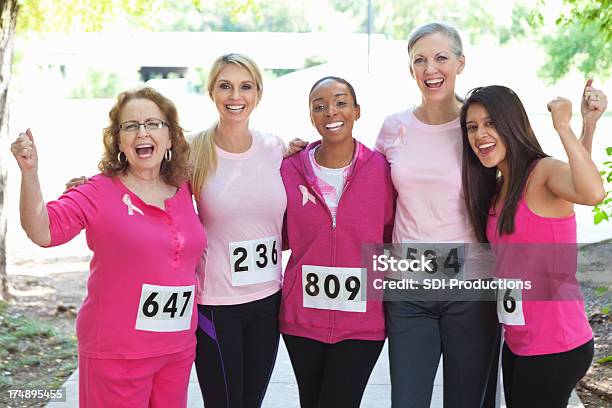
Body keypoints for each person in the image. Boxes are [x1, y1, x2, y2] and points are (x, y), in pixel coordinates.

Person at [374, 21, 605, 407]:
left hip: (474, 293)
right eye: (420, 60)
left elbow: (572, 186)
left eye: (441, 58)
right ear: (410, 68)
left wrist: (581, 127)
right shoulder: (395, 128)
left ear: (461, 63)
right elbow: (372, 189)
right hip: (411, 287)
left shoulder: (482, 127)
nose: (430, 69)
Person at [10, 87, 207, 407]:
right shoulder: (97, 191)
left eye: (153, 123)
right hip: (117, 354)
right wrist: (30, 173)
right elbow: (41, 230)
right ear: (118, 141)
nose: (142, 132)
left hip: (176, 349)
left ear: (170, 137)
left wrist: (286, 153)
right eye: (131, 126)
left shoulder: (183, 186)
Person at [461, 85, 606, 408]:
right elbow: (576, 182)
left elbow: (592, 193)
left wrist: (565, 127)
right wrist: (590, 128)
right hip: (518, 341)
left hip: (556, 343)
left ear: (512, 123)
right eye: (472, 127)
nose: (480, 134)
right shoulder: (499, 188)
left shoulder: (541, 173)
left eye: (490, 123)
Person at [280, 76, 395, 408]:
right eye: (320, 106)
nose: (331, 111)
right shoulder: (289, 168)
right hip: (302, 318)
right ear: (311, 117)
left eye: (341, 102)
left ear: (357, 111)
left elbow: (389, 235)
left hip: (362, 322)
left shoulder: (380, 169)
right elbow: (281, 234)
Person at [189, 53, 289, 408]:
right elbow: (146, 182)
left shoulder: (275, 148)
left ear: (258, 94)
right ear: (212, 92)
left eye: (245, 86)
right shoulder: (192, 151)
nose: (236, 96)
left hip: (267, 300)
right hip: (216, 305)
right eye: (225, 86)